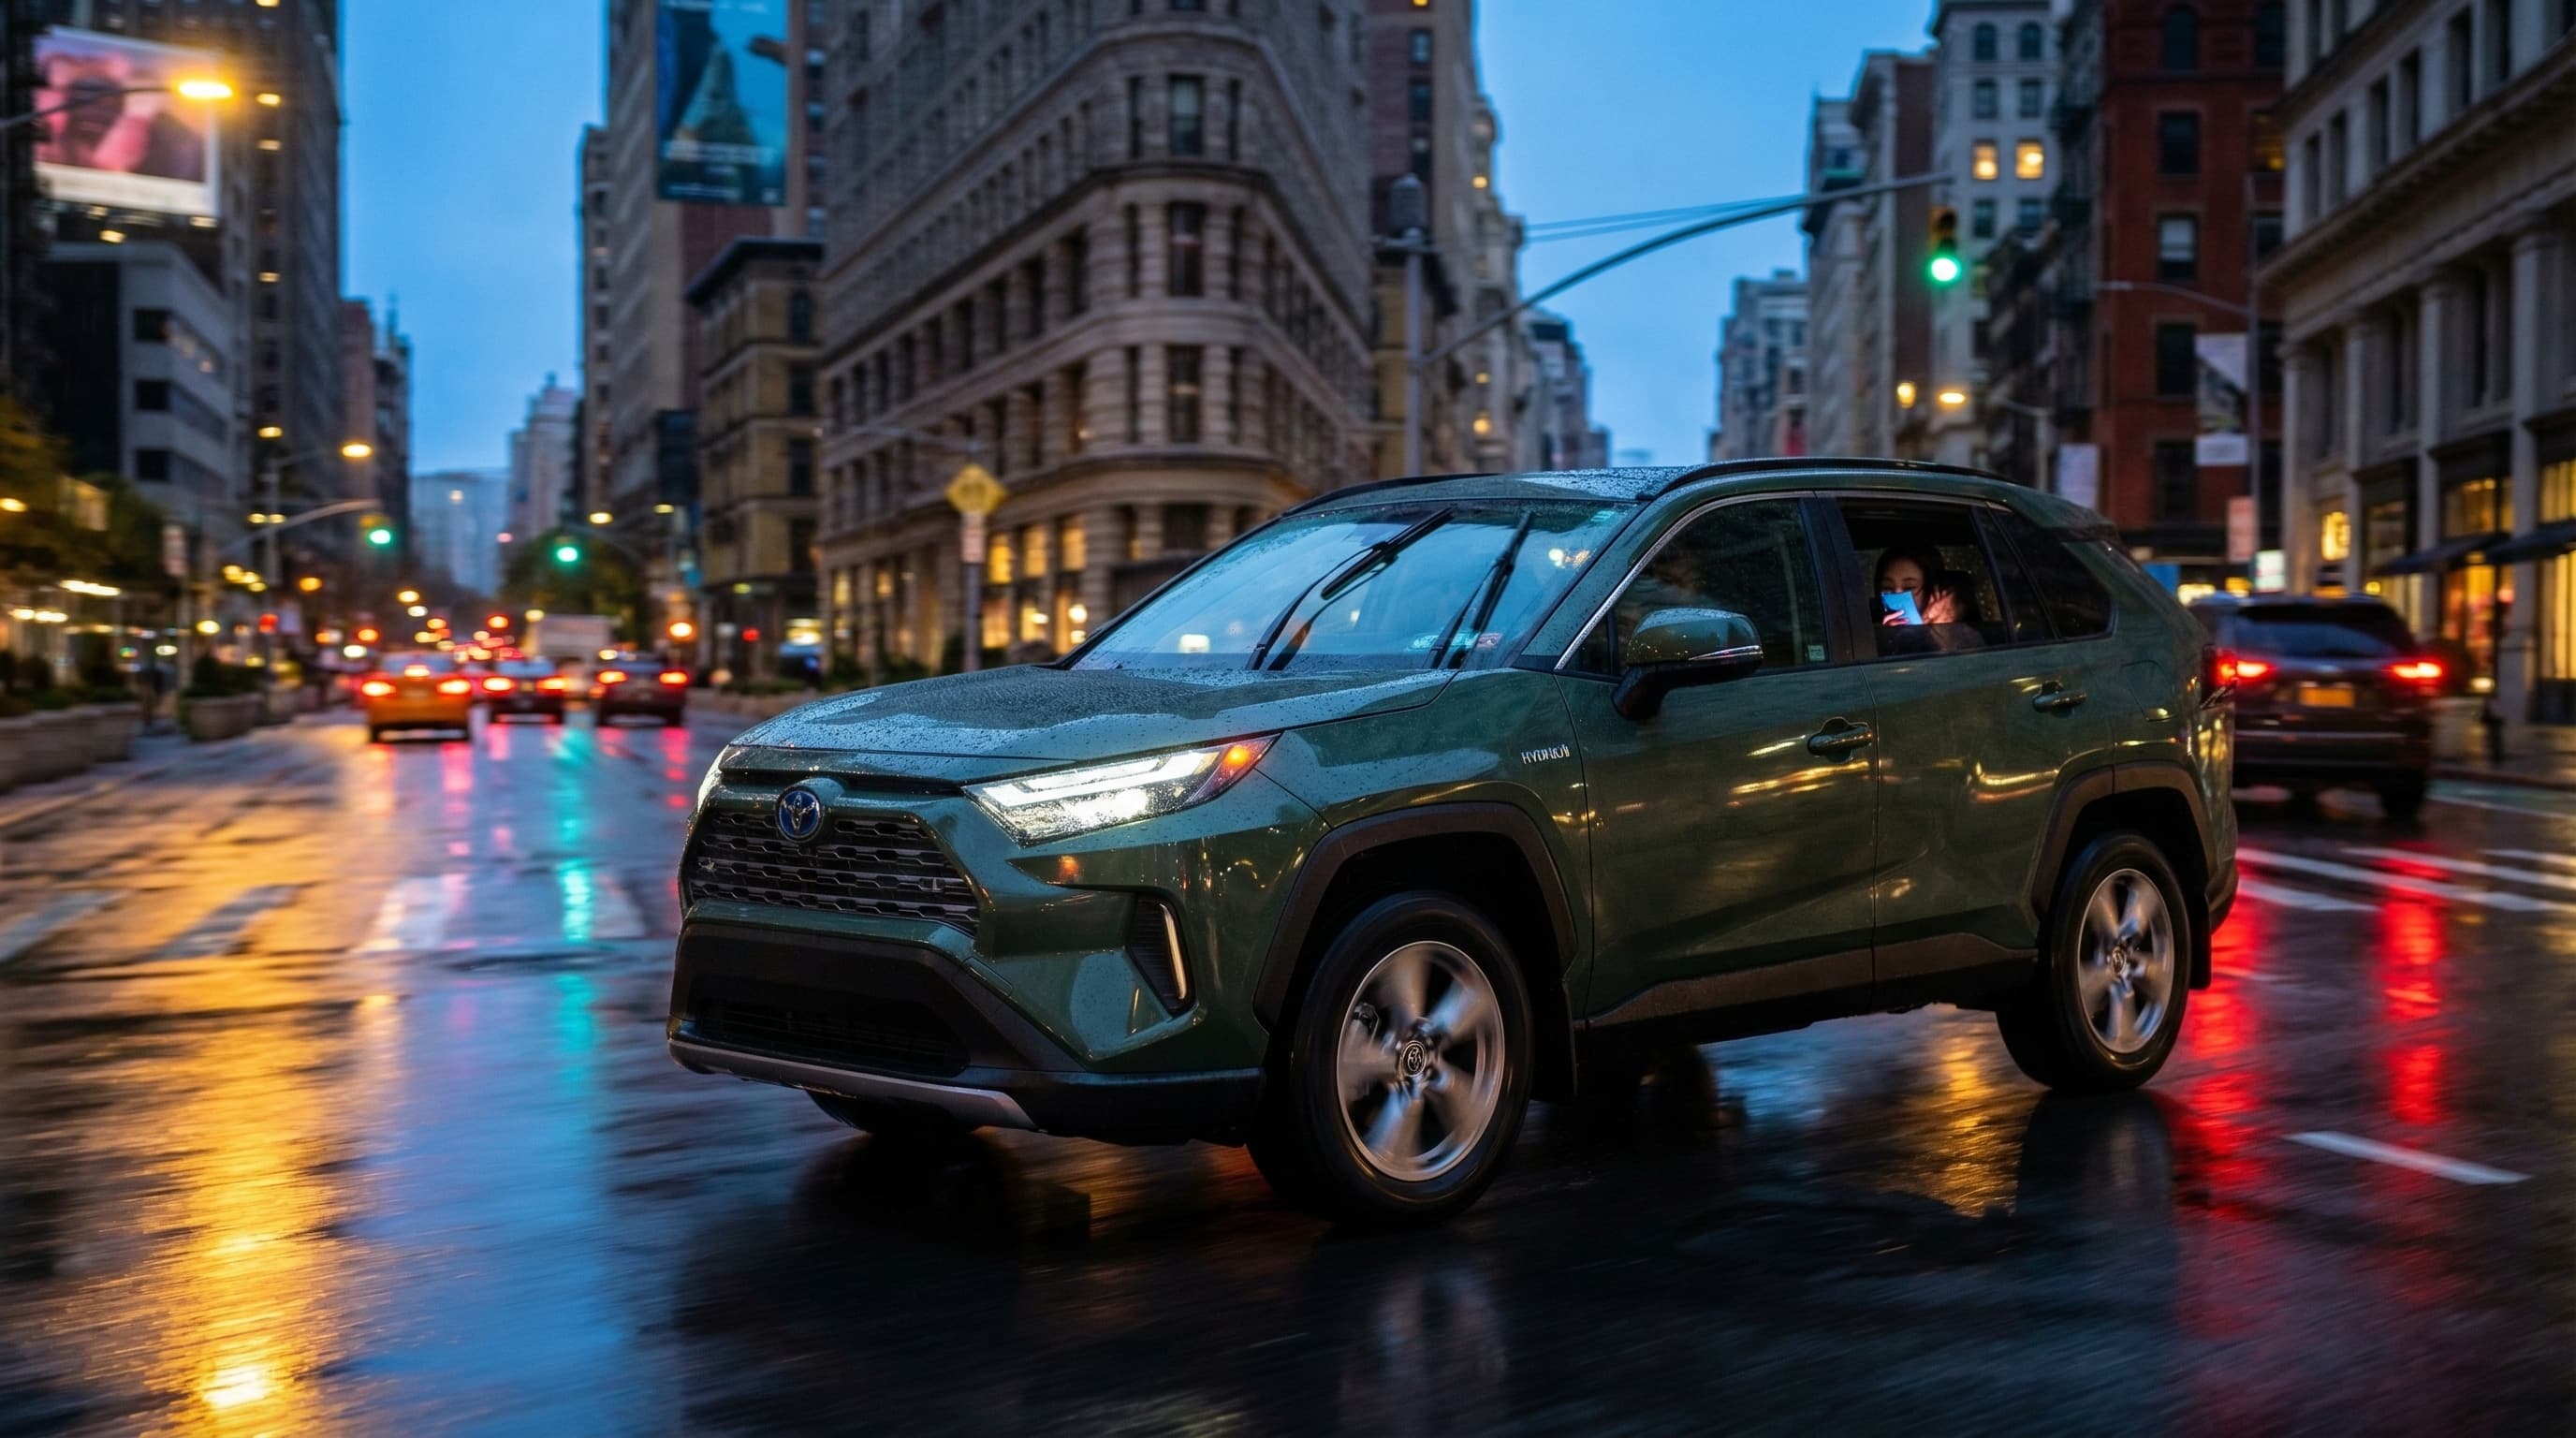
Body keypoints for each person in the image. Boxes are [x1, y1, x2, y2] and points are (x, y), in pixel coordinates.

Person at [1873, 546, 1985, 653]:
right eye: (1887, 588)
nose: (1897, 594)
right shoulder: (1866, 633)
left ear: (1932, 591)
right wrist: (1885, 638)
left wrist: (1938, 634)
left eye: (1909, 588)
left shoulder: (1962, 635)